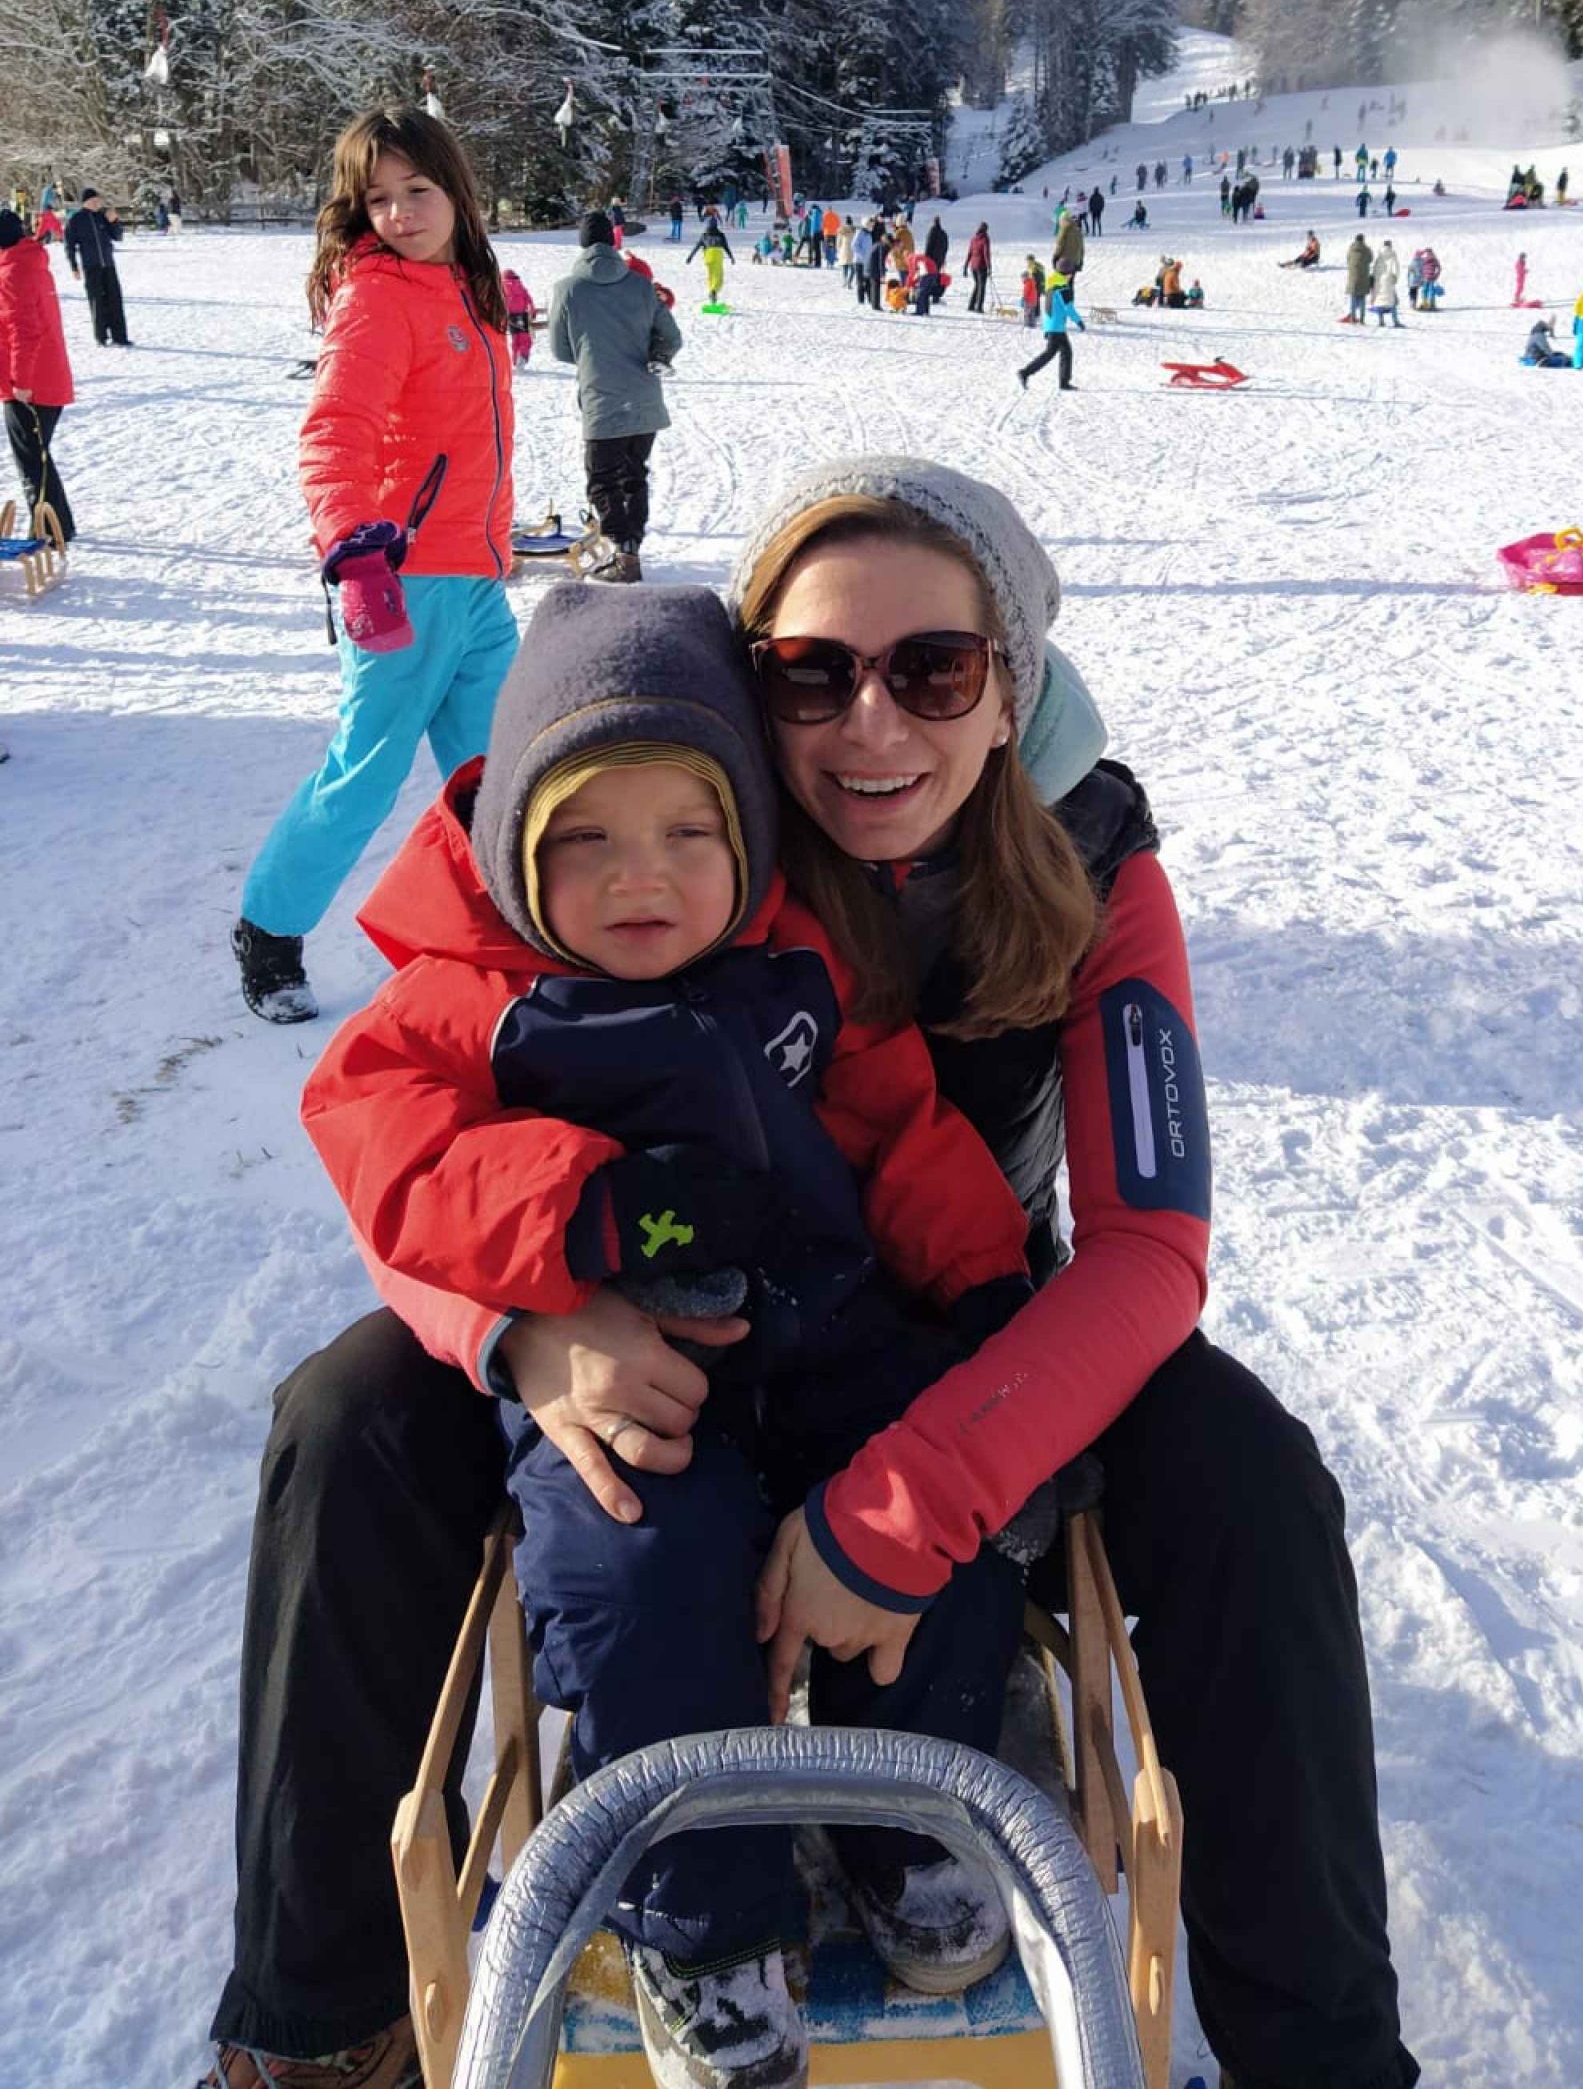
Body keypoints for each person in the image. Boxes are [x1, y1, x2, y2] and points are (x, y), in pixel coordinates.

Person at [197, 456, 1419, 2089]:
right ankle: (320, 2025)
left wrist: (916, 1500)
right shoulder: (625, 802)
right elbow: (396, 1130)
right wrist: (514, 1330)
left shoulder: (1091, 862)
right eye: (813, 672)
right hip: (624, 1301)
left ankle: (1325, 2059)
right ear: (745, 678)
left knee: (1249, 1478)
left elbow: (1147, 1251)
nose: (870, 724)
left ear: (1011, 687)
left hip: (958, 1329)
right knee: (345, 1422)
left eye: (936, 670)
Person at [303, 580, 1055, 2085]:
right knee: (644, 1581)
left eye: (686, 833)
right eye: (584, 839)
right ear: (516, 849)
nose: (639, 876)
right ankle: (702, 1924)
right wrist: (581, 1211)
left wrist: (986, 1294)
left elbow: (903, 1132)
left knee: (935, 1524)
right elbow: (386, 1143)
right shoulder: (478, 1001)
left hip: (827, 1333)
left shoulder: (798, 966)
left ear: (749, 839)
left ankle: (908, 1820)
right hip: (635, 1389)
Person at [231, 108, 518, 1027]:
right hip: (404, 581)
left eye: (416, 190)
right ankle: (269, 929)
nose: (398, 213)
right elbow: (334, 431)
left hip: (477, 580)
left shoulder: (465, 289)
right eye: (378, 199)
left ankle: (512, 924)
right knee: (367, 772)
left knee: (501, 771)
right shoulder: (379, 297)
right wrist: (355, 547)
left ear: (456, 190)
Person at [547, 211, 682, 584]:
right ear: (613, 241)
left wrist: (594, 357)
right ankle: (630, 550)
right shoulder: (641, 285)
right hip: (643, 398)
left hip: (601, 397)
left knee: (602, 480)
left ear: (582, 243)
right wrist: (656, 355)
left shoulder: (569, 288)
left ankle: (623, 552)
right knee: (634, 475)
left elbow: (560, 349)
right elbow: (671, 336)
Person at [0, 206, 77, 541]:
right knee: (36, 455)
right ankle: (57, 525)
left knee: (32, 458)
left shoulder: (13, 272)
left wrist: (21, 381)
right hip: (44, 375)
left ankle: (48, 529)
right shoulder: (28, 262)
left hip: (30, 382)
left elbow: (24, 330)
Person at [64, 186, 129, 346]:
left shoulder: (102, 216)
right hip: (91, 266)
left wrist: (114, 222)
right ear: (86, 202)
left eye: (98, 200)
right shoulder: (76, 220)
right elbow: (69, 245)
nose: (97, 203)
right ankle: (101, 336)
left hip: (108, 264)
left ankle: (120, 336)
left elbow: (117, 236)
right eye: (94, 200)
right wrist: (74, 266)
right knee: (97, 302)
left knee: (115, 300)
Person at [1016, 272, 1082, 390]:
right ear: (1065, 274)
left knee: (1060, 352)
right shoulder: (1063, 289)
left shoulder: (1051, 288)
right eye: (1069, 274)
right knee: (1059, 353)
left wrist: (1047, 328)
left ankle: (1063, 381)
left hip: (1052, 326)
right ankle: (1025, 372)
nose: (1071, 277)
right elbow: (1069, 308)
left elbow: (1048, 308)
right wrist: (1079, 321)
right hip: (1057, 328)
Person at [688, 214, 735, 305]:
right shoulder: (721, 235)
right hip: (717, 254)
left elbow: (697, 246)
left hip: (708, 256)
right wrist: (731, 257)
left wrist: (690, 257)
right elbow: (726, 247)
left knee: (710, 275)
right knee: (718, 276)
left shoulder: (704, 235)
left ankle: (711, 291)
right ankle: (714, 291)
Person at [501, 267, 536, 369]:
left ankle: (515, 360)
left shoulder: (502, 286)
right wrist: (533, 311)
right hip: (522, 315)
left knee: (515, 338)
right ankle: (522, 356)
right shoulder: (519, 285)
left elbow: (499, 302)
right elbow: (529, 299)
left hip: (510, 316)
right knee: (524, 337)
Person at [1051, 208, 1084, 303]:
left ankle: (1062, 303)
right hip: (1075, 263)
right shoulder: (1078, 231)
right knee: (1070, 284)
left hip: (1064, 262)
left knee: (1061, 283)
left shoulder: (1064, 230)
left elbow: (1059, 246)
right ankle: (1070, 303)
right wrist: (1080, 262)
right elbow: (1082, 249)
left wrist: (1055, 258)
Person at [1369, 239, 1402, 328]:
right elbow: (1396, 269)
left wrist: (1375, 279)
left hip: (1379, 281)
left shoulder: (1379, 256)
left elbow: (1374, 269)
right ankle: (1395, 321)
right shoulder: (1393, 255)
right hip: (1389, 280)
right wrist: (1395, 279)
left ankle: (1381, 321)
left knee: (1380, 300)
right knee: (1392, 301)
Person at [1343, 232, 1373, 324]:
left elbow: (1348, 259)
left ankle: (1352, 318)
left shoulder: (1351, 249)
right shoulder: (1367, 250)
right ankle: (1362, 319)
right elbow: (1370, 259)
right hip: (1363, 278)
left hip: (1353, 278)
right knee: (1362, 299)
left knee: (1353, 298)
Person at [964, 223, 991, 313]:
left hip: (973, 266)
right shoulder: (985, 239)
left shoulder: (974, 238)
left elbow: (969, 252)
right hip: (981, 266)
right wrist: (989, 266)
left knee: (977, 285)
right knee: (981, 287)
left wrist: (965, 266)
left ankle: (971, 305)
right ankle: (979, 307)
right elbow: (986, 253)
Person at [1020, 254, 1043, 327]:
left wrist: (1024, 298)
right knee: (1034, 304)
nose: (1028, 262)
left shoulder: (1036, 268)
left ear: (1033, 260)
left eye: (1029, 261)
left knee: (1033, 306)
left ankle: (1035, 316)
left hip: (1036, 287)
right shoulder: (1029, 267)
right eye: (1027, 261)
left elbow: (1039, 278)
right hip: (1033, 287)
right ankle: (1033, 319)